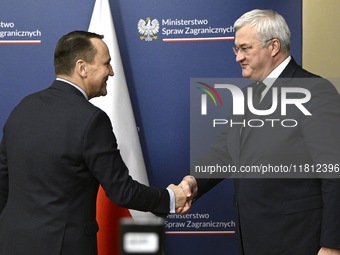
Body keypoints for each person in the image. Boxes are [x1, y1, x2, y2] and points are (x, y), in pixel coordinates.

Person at [0, 31, 189, 255]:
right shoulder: (92, 120)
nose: (111, 71)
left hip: (12, 243)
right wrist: (169, 198)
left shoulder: (23, 108)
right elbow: (122, 191)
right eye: (106, 63)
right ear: (82, 68)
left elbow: (3, 181)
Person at [178, 9, 340, 255]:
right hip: (253, 239)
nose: (238, 58)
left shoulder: (315, 91)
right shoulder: (248, 95)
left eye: (245, 48)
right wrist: (193, 182)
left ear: (273, 46)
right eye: (236, 49)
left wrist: (331, 245)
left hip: (299, 241)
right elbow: (225, 151)